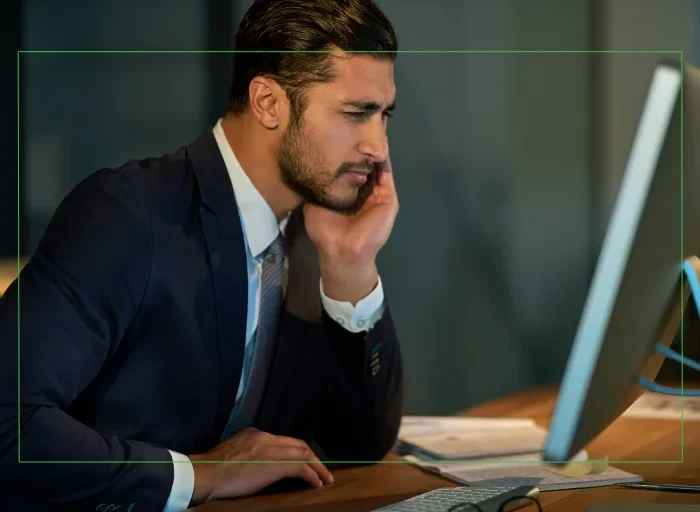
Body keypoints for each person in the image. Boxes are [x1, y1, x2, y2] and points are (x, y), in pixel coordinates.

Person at [0, 0, 403, 510]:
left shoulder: (312, 233)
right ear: (268, 102)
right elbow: (8, 422)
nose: (378, 145)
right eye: (356, 113)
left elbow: (360, 444)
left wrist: (352, 266)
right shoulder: (129, 215)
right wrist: (199, 475)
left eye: (384, 115)